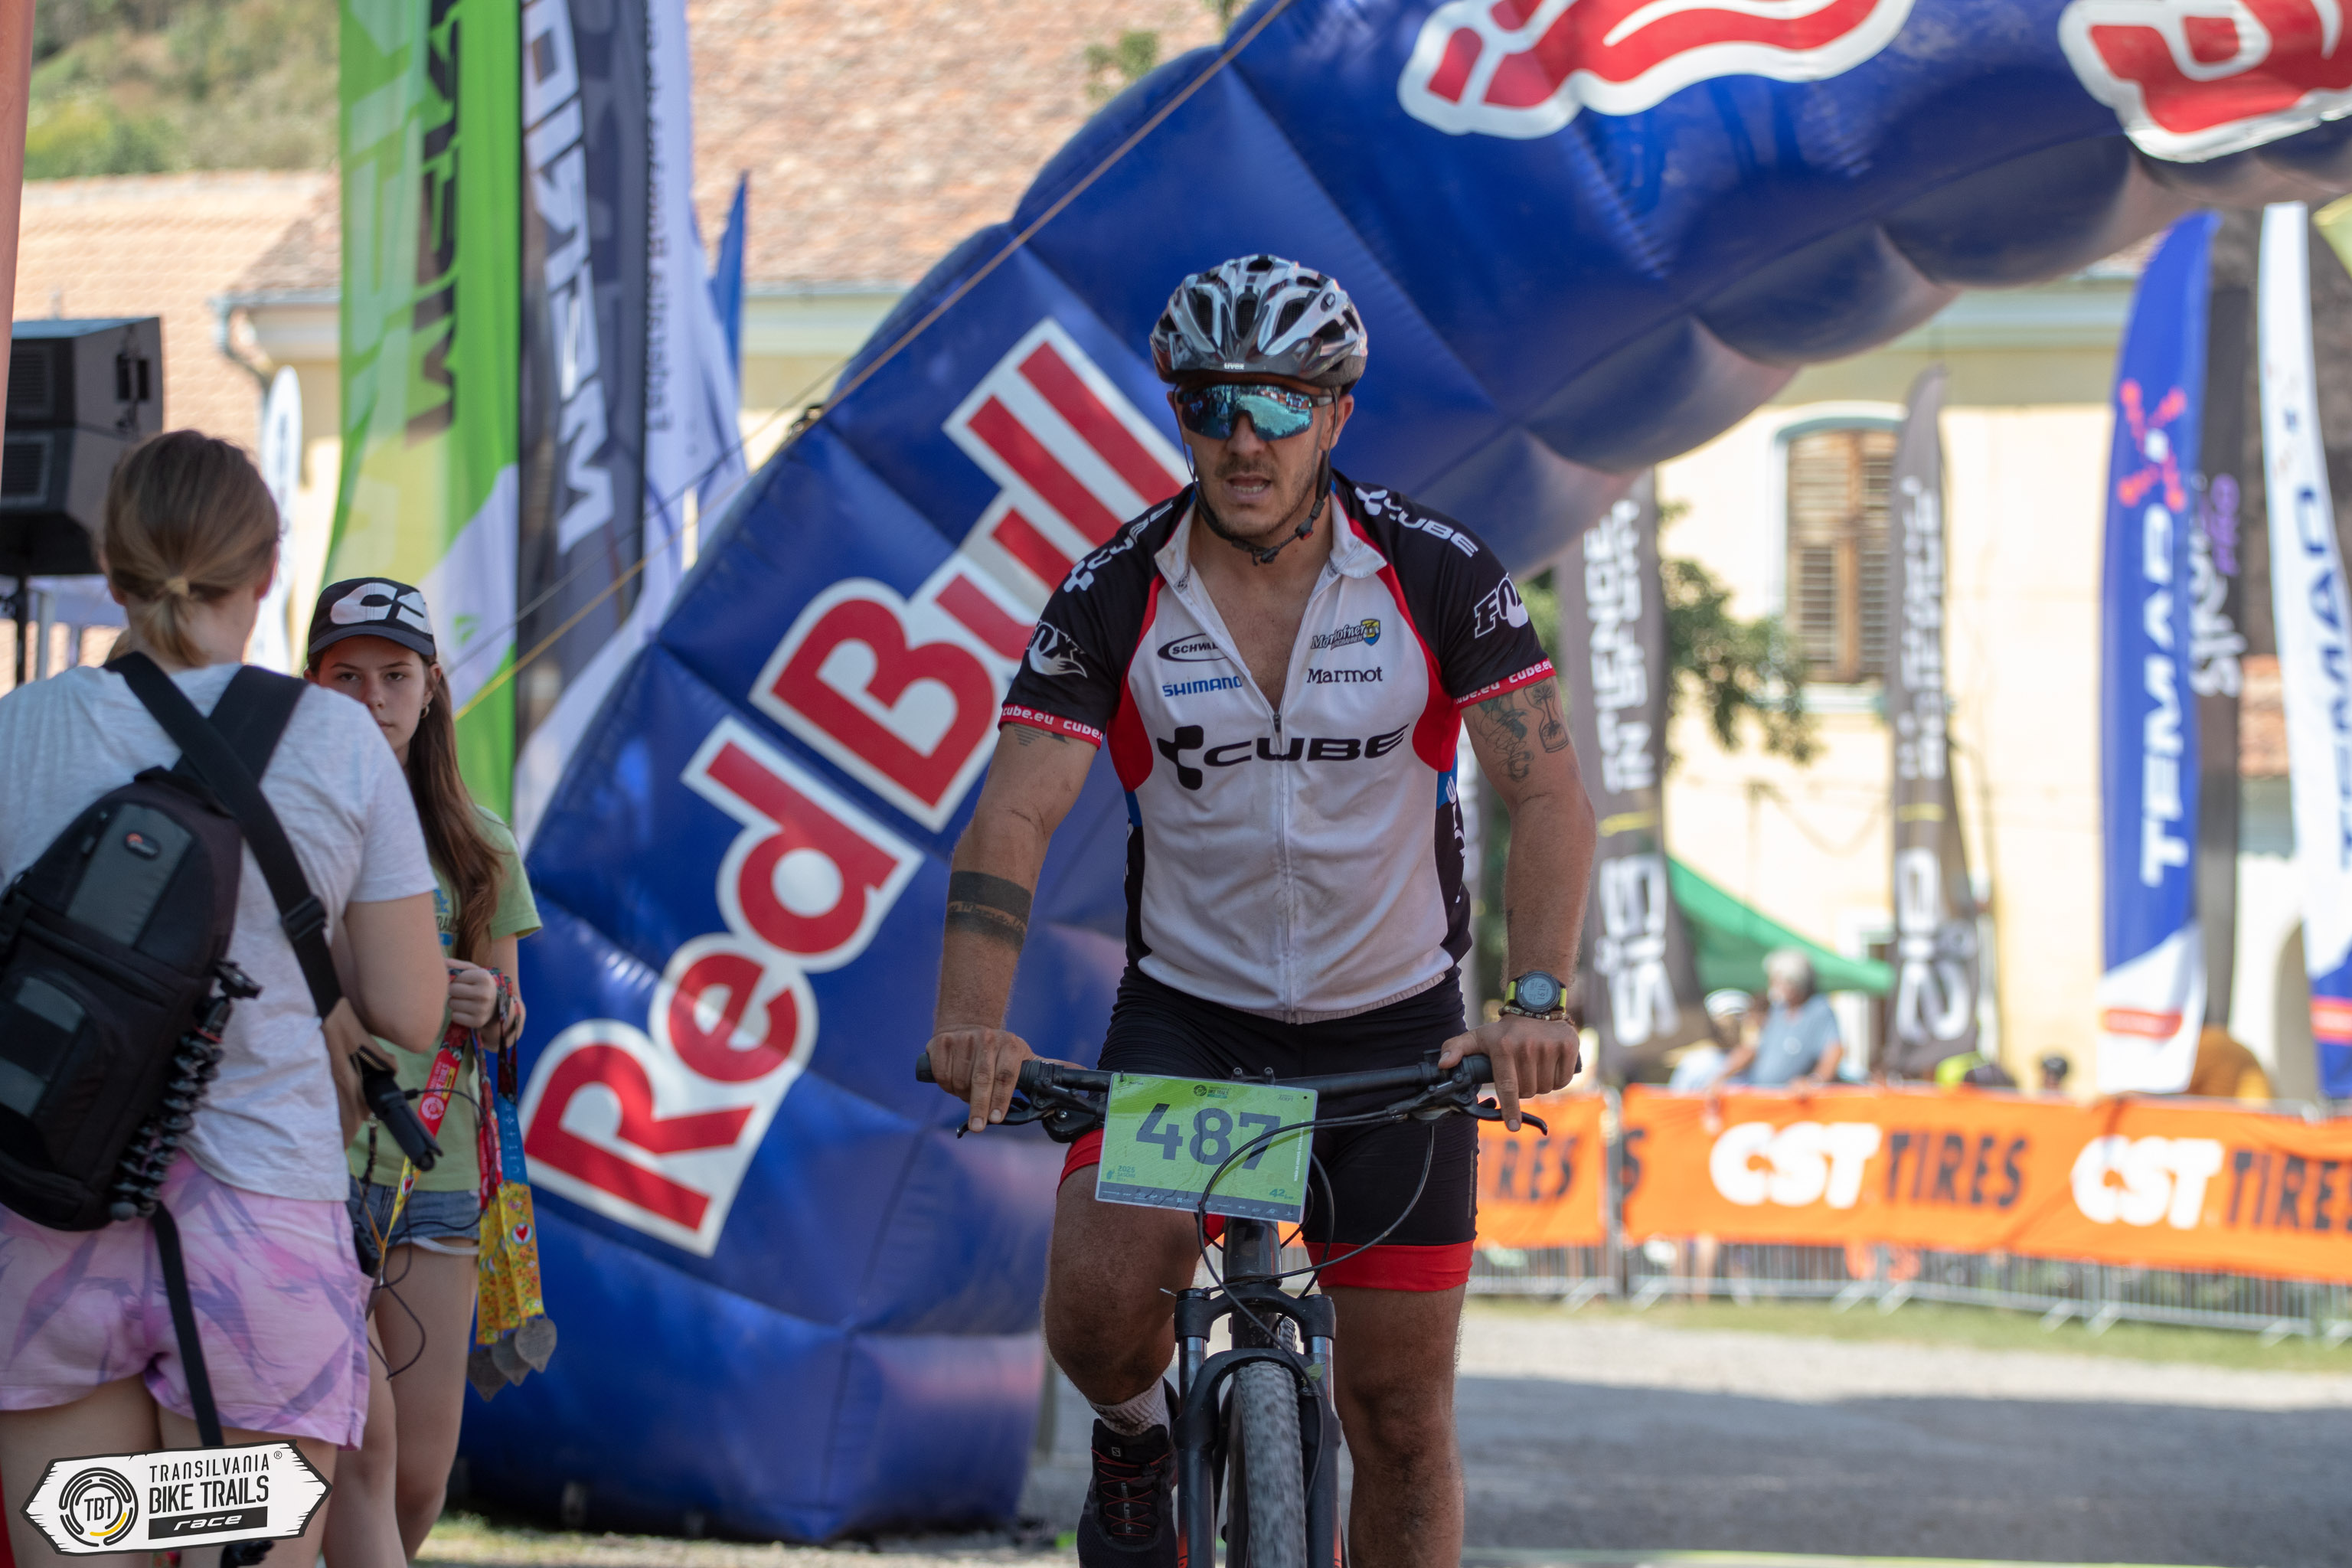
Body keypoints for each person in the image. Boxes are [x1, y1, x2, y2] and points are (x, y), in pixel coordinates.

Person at [924, 256, 1596, 1568]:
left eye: (1281, 405)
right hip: (1196, 1025)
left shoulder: (1435, 570)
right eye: (1213, 404)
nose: (1246, 438)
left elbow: (1548, 790)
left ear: (1335, 415)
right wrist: (970, 1020)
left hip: (1394, 1025)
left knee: (1400, 1418)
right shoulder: (1113, 592)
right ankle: (1135, 1443)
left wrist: (1534, 1000)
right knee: (1098, 1315)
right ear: (1180, 416)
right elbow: (1012, 816)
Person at [0, 432, 446, 1568]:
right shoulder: (339, 741)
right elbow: (410, 1011)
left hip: (52, 1225)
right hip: (258, 1247)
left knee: (89, 1539)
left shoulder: (19, 729)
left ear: (112, 570)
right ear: (268, 571)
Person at [304, 579, 541, 1564]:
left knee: (416, 1478)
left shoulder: (478, 840)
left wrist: (490, 1002)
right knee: (355, 1446)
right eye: (346, 676)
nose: (373, 697)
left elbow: (510, 1014)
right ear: (312, 684)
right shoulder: (285, 821)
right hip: (305, 1170)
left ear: (433, 685)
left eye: (395, 675)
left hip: (435, 1171)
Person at [1707, 949, 1841, 1091]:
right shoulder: (1778, 1010)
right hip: (1763, 1094)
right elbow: (1752, 1048)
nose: (1772, 986)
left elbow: (1834, 1050)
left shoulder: (1818, 1009)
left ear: (1795, 982)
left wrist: (1815, 1082)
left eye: (1776, 981)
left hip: (1795, 1099)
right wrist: (1721, 1076)